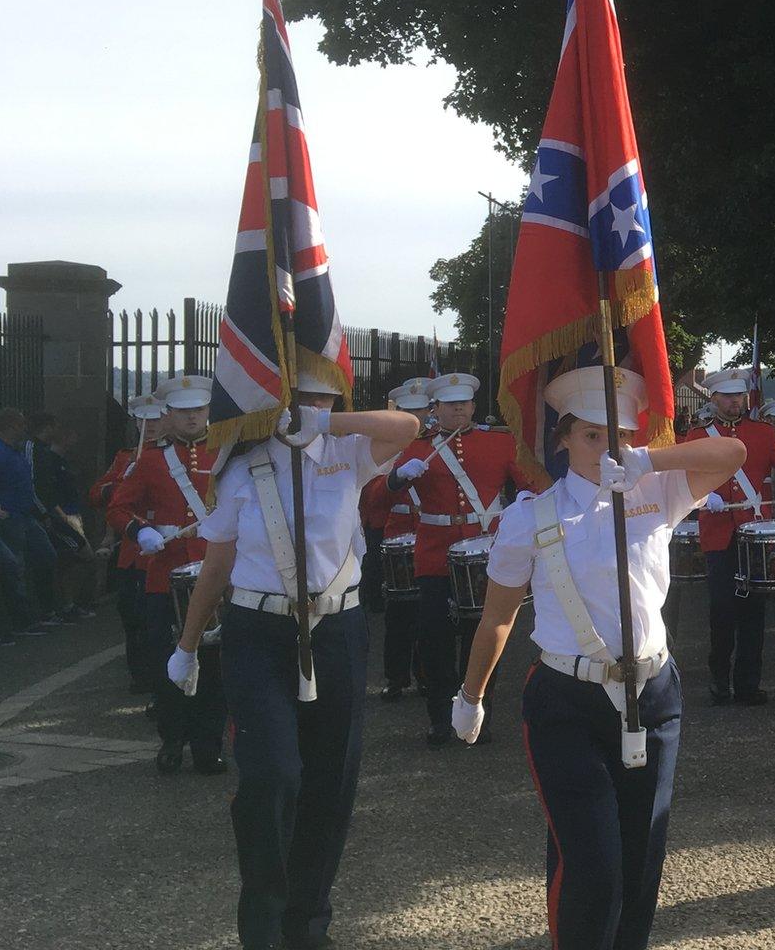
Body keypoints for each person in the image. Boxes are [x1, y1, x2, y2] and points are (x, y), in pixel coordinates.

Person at [451, 366, 745, 950]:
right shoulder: (527, 519)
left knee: (641, 862)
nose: (612, 449)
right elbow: (498, 617)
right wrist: (471, 694)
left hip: (653, 694)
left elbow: (732, 452)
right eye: (593, 435)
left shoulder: (657, 491)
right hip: (569, 701)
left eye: (625, 437)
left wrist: (650, 463)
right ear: (563, 439)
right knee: (593, 865)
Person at [170, 378, 418, 950]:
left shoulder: (348, 453)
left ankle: (307, 923)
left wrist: (327, 426)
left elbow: (407, 426)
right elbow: (217, 563)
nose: (313, 408)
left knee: (331, 779)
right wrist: (187, 646)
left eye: (326, 398)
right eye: (302, 398)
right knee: (273, 773)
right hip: (260, 630)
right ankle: (262, 921)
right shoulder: (241, 466)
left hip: (337, 628)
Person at [394, 371, 540, 747]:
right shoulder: (416, 448)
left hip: (485, 554)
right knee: (434, 638)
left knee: (483, 636)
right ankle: (440, 718)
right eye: (449, 404)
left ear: (474, 406)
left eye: (465, 403)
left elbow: (532, 485)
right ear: (436, 409)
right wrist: (397, 479)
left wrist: (521, 505)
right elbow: (375, 499)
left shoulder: (500, 443)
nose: (459, 409)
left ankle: (477, 712)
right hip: (435, 556)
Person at [109, 375, 227, 774]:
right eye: (183, 410)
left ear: (208, 411)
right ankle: (173, 739)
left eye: (198, 409)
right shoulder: (151, 461)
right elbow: (118, 508)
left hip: (216, 573)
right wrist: (140, 529)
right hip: (165, 578)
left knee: (215, 664)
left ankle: (209, 744)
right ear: (169, 414)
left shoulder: (227, 453)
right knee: (170, 660)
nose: (192, 417)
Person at [684, 367, 775, 706]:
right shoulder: (698, 436)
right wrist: (704, 497)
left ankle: (748, 683)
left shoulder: (762, 433)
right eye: (728, 396)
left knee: (753, 612)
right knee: (721, 610)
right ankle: (719, 679)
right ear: (715, 398)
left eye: (739, 396)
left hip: (753, 533)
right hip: (718, 533)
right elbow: (682, 480)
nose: (735, 401)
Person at [359, 378, 434, 702]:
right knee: (399, 613)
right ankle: (396, 676)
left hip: (430, 534)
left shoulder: (438, 443)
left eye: (421, 412)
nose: (416, 420)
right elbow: (371, 498)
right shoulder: (383, 446)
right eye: (409, 413)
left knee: (431, 615)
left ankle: (427, 675)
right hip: (395, 534)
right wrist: (395, 478)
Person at [93, 394, 168, 689]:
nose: (149, 426)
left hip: (167, 548)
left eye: (155, 419)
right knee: (132, 616)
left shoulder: (170, 455)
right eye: (143, 420)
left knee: (161, 621)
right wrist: (120, 483)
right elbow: (96, 495)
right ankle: (141, 676)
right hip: (133, 549)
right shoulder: (125, 457)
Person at [0, 408, 68, 624]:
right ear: (11, 427)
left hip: (25, 515)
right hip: (9, 517)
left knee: (45, 556)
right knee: (16, 566)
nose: (25, 429)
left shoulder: (14, 450)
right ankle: (23, 619)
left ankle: (40, 609)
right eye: (21, 425)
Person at [28, 413, 98, 617]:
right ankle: (66, 604)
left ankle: (69, 603)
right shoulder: (46, 457)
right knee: (81, 557)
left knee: (71, 558)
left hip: (70, 514)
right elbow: (46, 492)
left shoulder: (58, 459)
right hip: (63, 516)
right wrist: (58, 515)